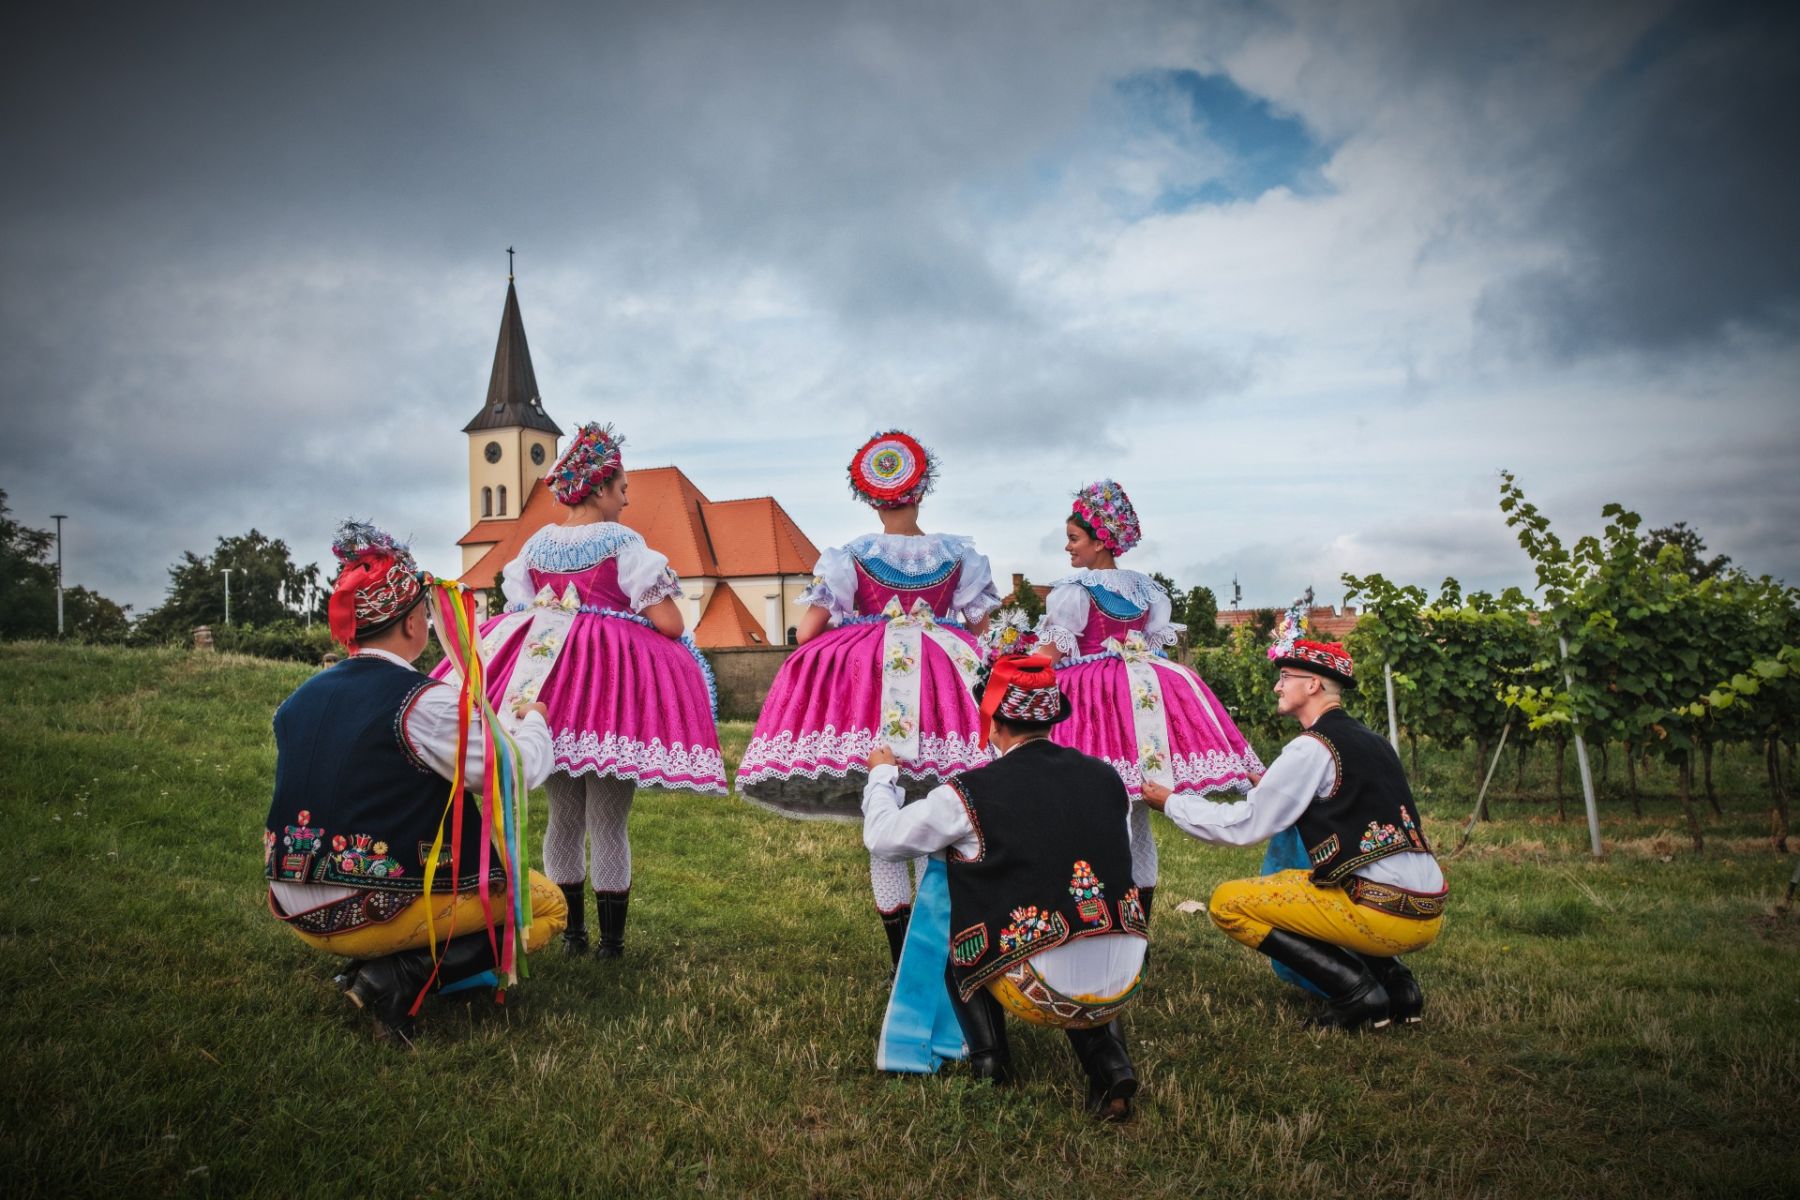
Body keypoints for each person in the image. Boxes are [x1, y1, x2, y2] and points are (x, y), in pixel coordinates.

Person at [265, 522, 567, 1044]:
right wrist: (533, 721)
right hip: (375, 907)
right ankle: (398, 973)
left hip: (293, 906)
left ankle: (376, 967)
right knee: (546, 905)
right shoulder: (421, 701)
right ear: (411, 624)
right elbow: (514, 772)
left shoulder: (297, 700)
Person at [441, 422, 726, 960]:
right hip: (605, 699)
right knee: (608, 822)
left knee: (563, 817)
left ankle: (570, 934)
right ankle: (610, 944)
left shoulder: (536, 545)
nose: (627, 499)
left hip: (548, 692)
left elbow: (521, 607)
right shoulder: (623, 543)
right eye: (622, 488)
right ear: (599, 490)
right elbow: (669, 622)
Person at [739, 431, 1001, 966]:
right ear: (920, 491)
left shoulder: (853, 556)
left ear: (872, 498)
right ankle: (939, 950)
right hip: (943, 691)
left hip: (874, 694)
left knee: (884, 810)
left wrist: (850, 630)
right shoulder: (959, 556)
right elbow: (982, 630)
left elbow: (808, 632)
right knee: (938, 807)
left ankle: (901, 959)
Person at [863, 654, 1149, 1120]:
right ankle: (1111, 1065)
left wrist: (881, 775)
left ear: (993, 722)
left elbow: (884, 839)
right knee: (1075, 920)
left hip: (1039, 985)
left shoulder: (969, 792)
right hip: (1126, 973)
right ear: (1051, 720)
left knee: (958, 919)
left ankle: (990, 1062)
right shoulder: (1107, 777)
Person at [1143, 635, 1445, 1030]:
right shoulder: (1375, 742)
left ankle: (1357, 992)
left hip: (1378, 912)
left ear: (1313, 685)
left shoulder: (1312, 747)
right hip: (1427, 911)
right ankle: (1399, 985)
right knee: (1314, 884)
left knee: (1228, 903)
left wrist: (1171, 802)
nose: (1277, 686)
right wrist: (1272, 785)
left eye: (1285, 677)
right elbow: (1343, 801)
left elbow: (1243, 826)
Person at [1036, 479, 1262, 918]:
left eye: (1074, 538)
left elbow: (1051, 654)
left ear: (1100, 541)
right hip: (1141, 702)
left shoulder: (1076, 591)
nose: (1068, 547)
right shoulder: (1143, 590)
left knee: (1105, 807)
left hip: (1096, 705)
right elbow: (1152, 645)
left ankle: (1110, 921)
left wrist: (1013, 661)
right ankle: (1137, 926)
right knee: (1136, 812)